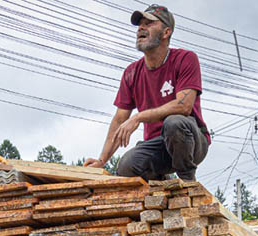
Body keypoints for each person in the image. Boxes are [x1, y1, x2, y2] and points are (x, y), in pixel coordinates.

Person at [84, 4, 211, 182]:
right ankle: (161, 181)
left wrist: (138, 117)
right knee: (126, 165)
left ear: (166, 32)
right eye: (140, 24)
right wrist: (101, 160)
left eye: (149, 23)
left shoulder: (185, 59)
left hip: (190, 141)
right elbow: (120, 119)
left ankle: (187, 183)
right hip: (158, 147)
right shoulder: (132, 72)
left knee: (174, 123)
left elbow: (183, 106)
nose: (141, 28)